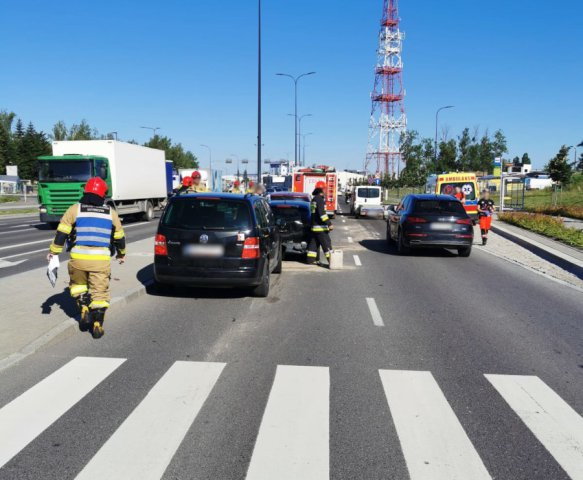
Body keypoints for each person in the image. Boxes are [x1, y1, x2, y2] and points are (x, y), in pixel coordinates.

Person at [47, 177, 126, 339]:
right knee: (99, 294)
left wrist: (54, 252)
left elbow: (61, 233)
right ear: (103, 194)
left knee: (78, 285)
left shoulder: (74, 209)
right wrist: (121, 254)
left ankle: (83, 308)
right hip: (101, 261)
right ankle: (97, 324)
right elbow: (119, 237)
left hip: (78, 259)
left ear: (86, 192)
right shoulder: (111, 213)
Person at [307, 181, 334, 266]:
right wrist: (329, 224)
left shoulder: (314, 199)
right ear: (322, 190)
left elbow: (313, 213)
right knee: (327, 244)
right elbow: (322, 214)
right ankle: (333, 262)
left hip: (314, 227)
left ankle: (310, 260)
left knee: (313, 244)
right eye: (325, 189)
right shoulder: (320, 200)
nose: (326, 191)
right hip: (320, 228)